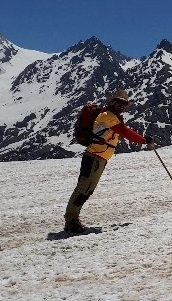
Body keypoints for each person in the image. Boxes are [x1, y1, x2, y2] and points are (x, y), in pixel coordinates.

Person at [64, 89, 154, 232]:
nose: (121, 106)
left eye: (124, 104)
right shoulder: (108, 116)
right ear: (112, 102)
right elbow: (125, 132)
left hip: (97, 157)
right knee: (84, 188)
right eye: (119, 102)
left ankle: (73, 218)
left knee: (86, 189)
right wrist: (143, 140)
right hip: (95, 156)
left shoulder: (109, 115)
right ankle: (71, 220)